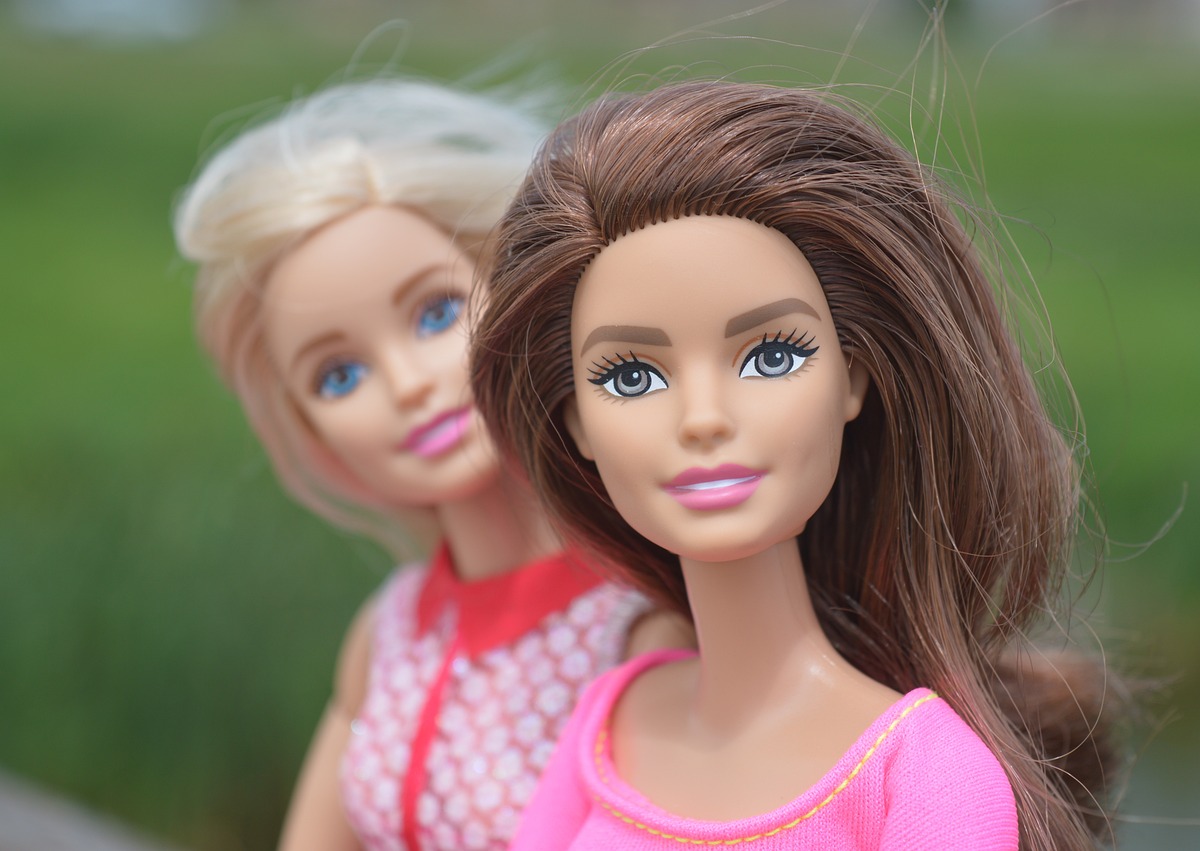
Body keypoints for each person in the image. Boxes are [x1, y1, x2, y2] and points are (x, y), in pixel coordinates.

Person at [471, 80, 1118, 850]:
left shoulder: (922, 774)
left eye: (771, 356)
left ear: (853, 378)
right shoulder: (610, 722)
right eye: (632, 376)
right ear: (576, 420)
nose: (703, 418)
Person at [174, 78, 687, 851]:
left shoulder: (636, 627)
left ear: (510, 291)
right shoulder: (391, 632)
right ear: (313, 431)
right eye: (338, 376)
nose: (408, 383)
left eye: (437, 312)